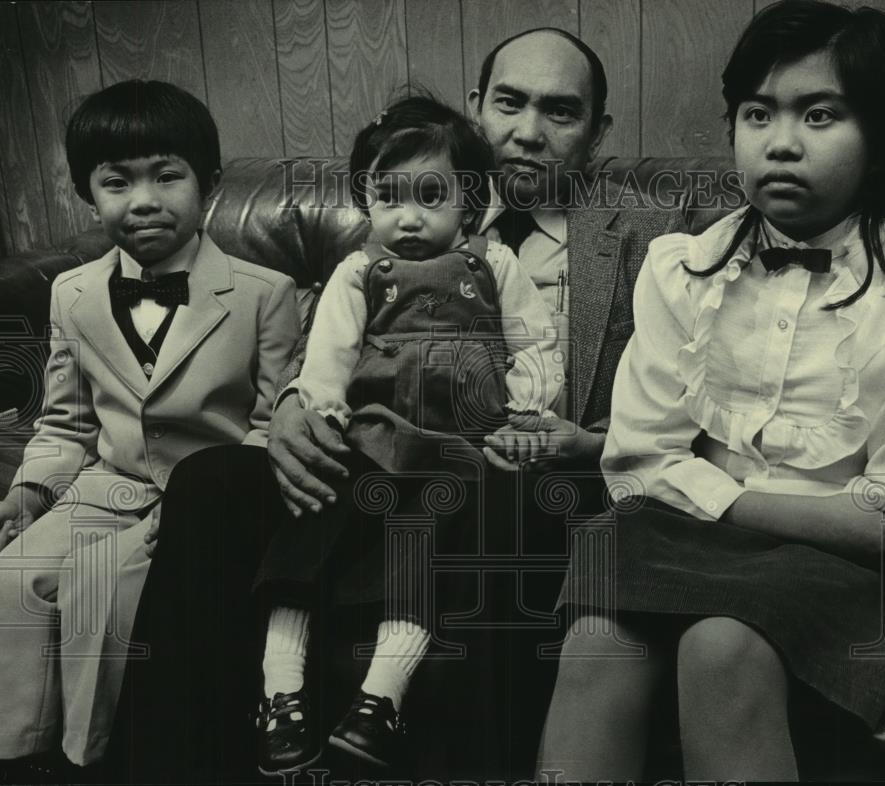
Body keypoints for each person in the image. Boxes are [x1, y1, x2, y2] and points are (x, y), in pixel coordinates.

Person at [113, 28, 686, 782]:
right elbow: (334, 343)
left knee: (498, 494)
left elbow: (669, 404)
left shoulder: (649, 241)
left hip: (515, 471)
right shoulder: (400, 210)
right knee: (210, 483)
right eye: (510, 104)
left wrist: (578, 439)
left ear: (598, 132)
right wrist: (293, 406)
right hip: (374, 444)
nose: (528, 133)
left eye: (561, 113)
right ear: (478, 107)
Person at [535, 1, 885, 781]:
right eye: (757, 113)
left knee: (723, 644)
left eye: (820, 115)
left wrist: (719, 493)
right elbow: (636, 466)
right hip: (683, 536)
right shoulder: (683, 268)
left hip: (842, 566)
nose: (780, 143)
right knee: (598, 636)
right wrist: (741, 501)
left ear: (881, 136)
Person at [253, 94, 562, 774]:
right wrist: (323, 416)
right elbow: (327, 358)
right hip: (371, 435)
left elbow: (537, 346)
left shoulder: (495, 266)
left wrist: (526, 413)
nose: (409, 217)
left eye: (430, 196)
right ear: (367, 202)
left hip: (460, 442)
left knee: (435, 532)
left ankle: (380, 699)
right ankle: (281, 689)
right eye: (388, 198)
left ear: (471, 203)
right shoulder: (360, 272)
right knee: (313, 512)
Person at [0, 80, 299, 768]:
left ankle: (91, 758)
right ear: (88, 193)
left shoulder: (265, 294)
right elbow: (65, 423)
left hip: (203, 504)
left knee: (100, 585)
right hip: (108, 487)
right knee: (12, 576)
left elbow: (267, 425)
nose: (143, 200)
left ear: (210, 184)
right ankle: (20, 755)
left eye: (167, 177)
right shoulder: (70, 294)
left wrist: (208, 511)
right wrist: (32, 491)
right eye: (116, 182)